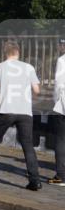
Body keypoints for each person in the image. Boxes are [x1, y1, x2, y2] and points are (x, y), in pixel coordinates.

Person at [0, 40, 42, 190]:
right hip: (25, 112)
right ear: (18, 52)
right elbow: (37, 90)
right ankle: (35, 180)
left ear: (5, 53)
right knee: (28, 146)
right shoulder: (29, 67)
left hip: (5, 110)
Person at [48, 38, 65, 186]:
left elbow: (59, 84)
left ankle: (61, 176)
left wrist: (56, 101)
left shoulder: (62, 60)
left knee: (60, 140)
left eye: (61, 44)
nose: (59, 47)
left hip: (63, 105)